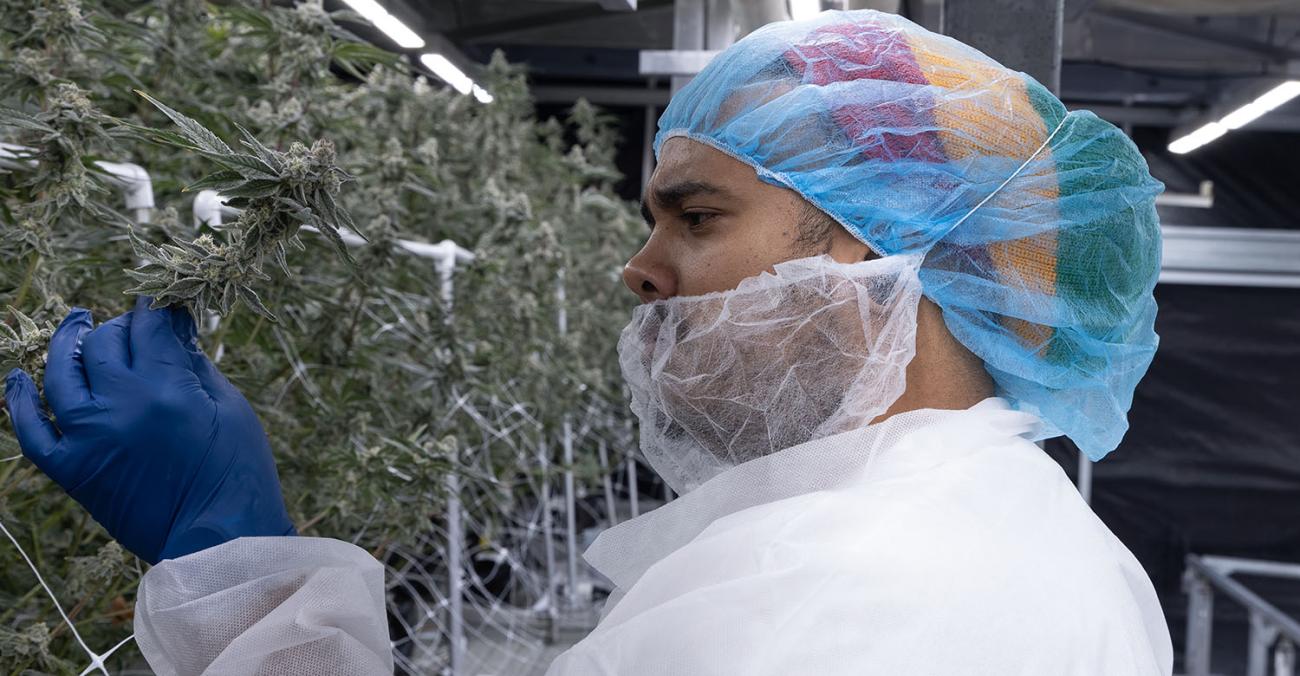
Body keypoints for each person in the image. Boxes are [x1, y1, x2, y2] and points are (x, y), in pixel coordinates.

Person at [3, 10, 1172, 676]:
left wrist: (232, 557)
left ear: (888, 261)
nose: (638, 268)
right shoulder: (979, 526)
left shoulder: (843, 602)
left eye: (696, 215)